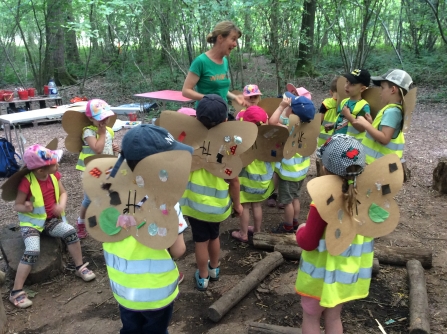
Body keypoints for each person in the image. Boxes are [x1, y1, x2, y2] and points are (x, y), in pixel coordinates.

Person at [102, 124, 192, 334]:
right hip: (155, 291)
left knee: (131, 328)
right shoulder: (166, 204)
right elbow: (178, 250)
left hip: (123, 288)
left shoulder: (109, 195)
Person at [295, 134, 373, 334]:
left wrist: (300, 230)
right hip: (343, 275)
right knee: (334, 317)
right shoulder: (362, 198)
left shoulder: (323, 202)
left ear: (324, 168)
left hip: (319, 276)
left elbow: (309, 241)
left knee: (311, 317)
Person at [10, 144, 95, 309]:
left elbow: (63, 193)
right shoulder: (26, 182)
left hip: (50, 221)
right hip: (32, 225)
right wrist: (26, 206)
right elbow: (17, 205)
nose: (58, 164)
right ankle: (16, 291)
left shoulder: (54, 175)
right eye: (55, 162)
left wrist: (61, 205)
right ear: (41, 170)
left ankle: (79, 266)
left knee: (70, 232)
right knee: (32, 250)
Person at [180, 94, 243, 291]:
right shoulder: (227, 148)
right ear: (225, 120)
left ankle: (203, 276)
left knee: (200, 240)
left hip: (194, 205)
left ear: (196, 118)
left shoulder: (189, 143)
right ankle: (214, 269)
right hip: (217, 206)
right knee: (214, 236)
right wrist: (238, 204)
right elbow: (233, 180)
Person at [268, 93, 314, 233]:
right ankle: (294, 221)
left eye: (290, 107)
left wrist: (282, 106)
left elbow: (272, 122)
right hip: (300, 172)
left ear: (293, 113)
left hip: (289, 173)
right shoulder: (308, 128)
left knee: (287, 201)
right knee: (295, 198)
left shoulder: (290, 128)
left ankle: (288, 226)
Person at [75, 99, 120, 238]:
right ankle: (81, 223)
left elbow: (107, 147)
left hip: (107, 169)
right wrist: (101, 134)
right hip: (92, 170)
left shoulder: (109, 131)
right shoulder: (88, 132)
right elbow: (97, 149)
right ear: (90, 118)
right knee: (89, 198)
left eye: (106, 117)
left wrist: (114, 148)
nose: (105, 121)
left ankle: (107, 221)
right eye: (101, 118)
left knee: (109, 194)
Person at [231, 106, 274, 242]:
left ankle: (243, 234)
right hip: (261, 182)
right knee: (257, 206)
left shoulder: (242, 141)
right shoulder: (269, 139)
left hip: (246, 182)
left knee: (245, 206)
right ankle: (257, 231)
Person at [182, 21, 247, 108]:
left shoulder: (225, 61)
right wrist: (208, 98)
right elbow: (186, 91)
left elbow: (220, 90)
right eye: (233, 39)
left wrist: (235, 97)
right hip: (206, 115)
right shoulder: (201, 61)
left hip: (223, 113)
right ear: (220, 38)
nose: (235, 44)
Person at [354, 69, 412, 164]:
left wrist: (365, 124)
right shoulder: (393, 109)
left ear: (393, 90)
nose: (380, 92)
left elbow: (385, 138)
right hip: (378, 163)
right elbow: (385, 131)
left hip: (379, 164)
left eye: (382, 88)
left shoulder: (392, 111)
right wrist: (371, 124)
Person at [325, 69, 371, 142]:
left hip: (351, 146)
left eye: (352, 84)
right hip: (336, 140)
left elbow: (363, 128)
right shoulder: (344, 102)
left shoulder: (363, 106)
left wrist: (348, 116)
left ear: (362, 88)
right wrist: (333, 125)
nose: (346, 86)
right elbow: (341, 120)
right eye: (347, 82)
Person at [317, 76, 339, 147]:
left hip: (324, 136)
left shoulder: (326, 103)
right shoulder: (345, 104)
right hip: (338, 137)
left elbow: (320, 119)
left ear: (331, 92)